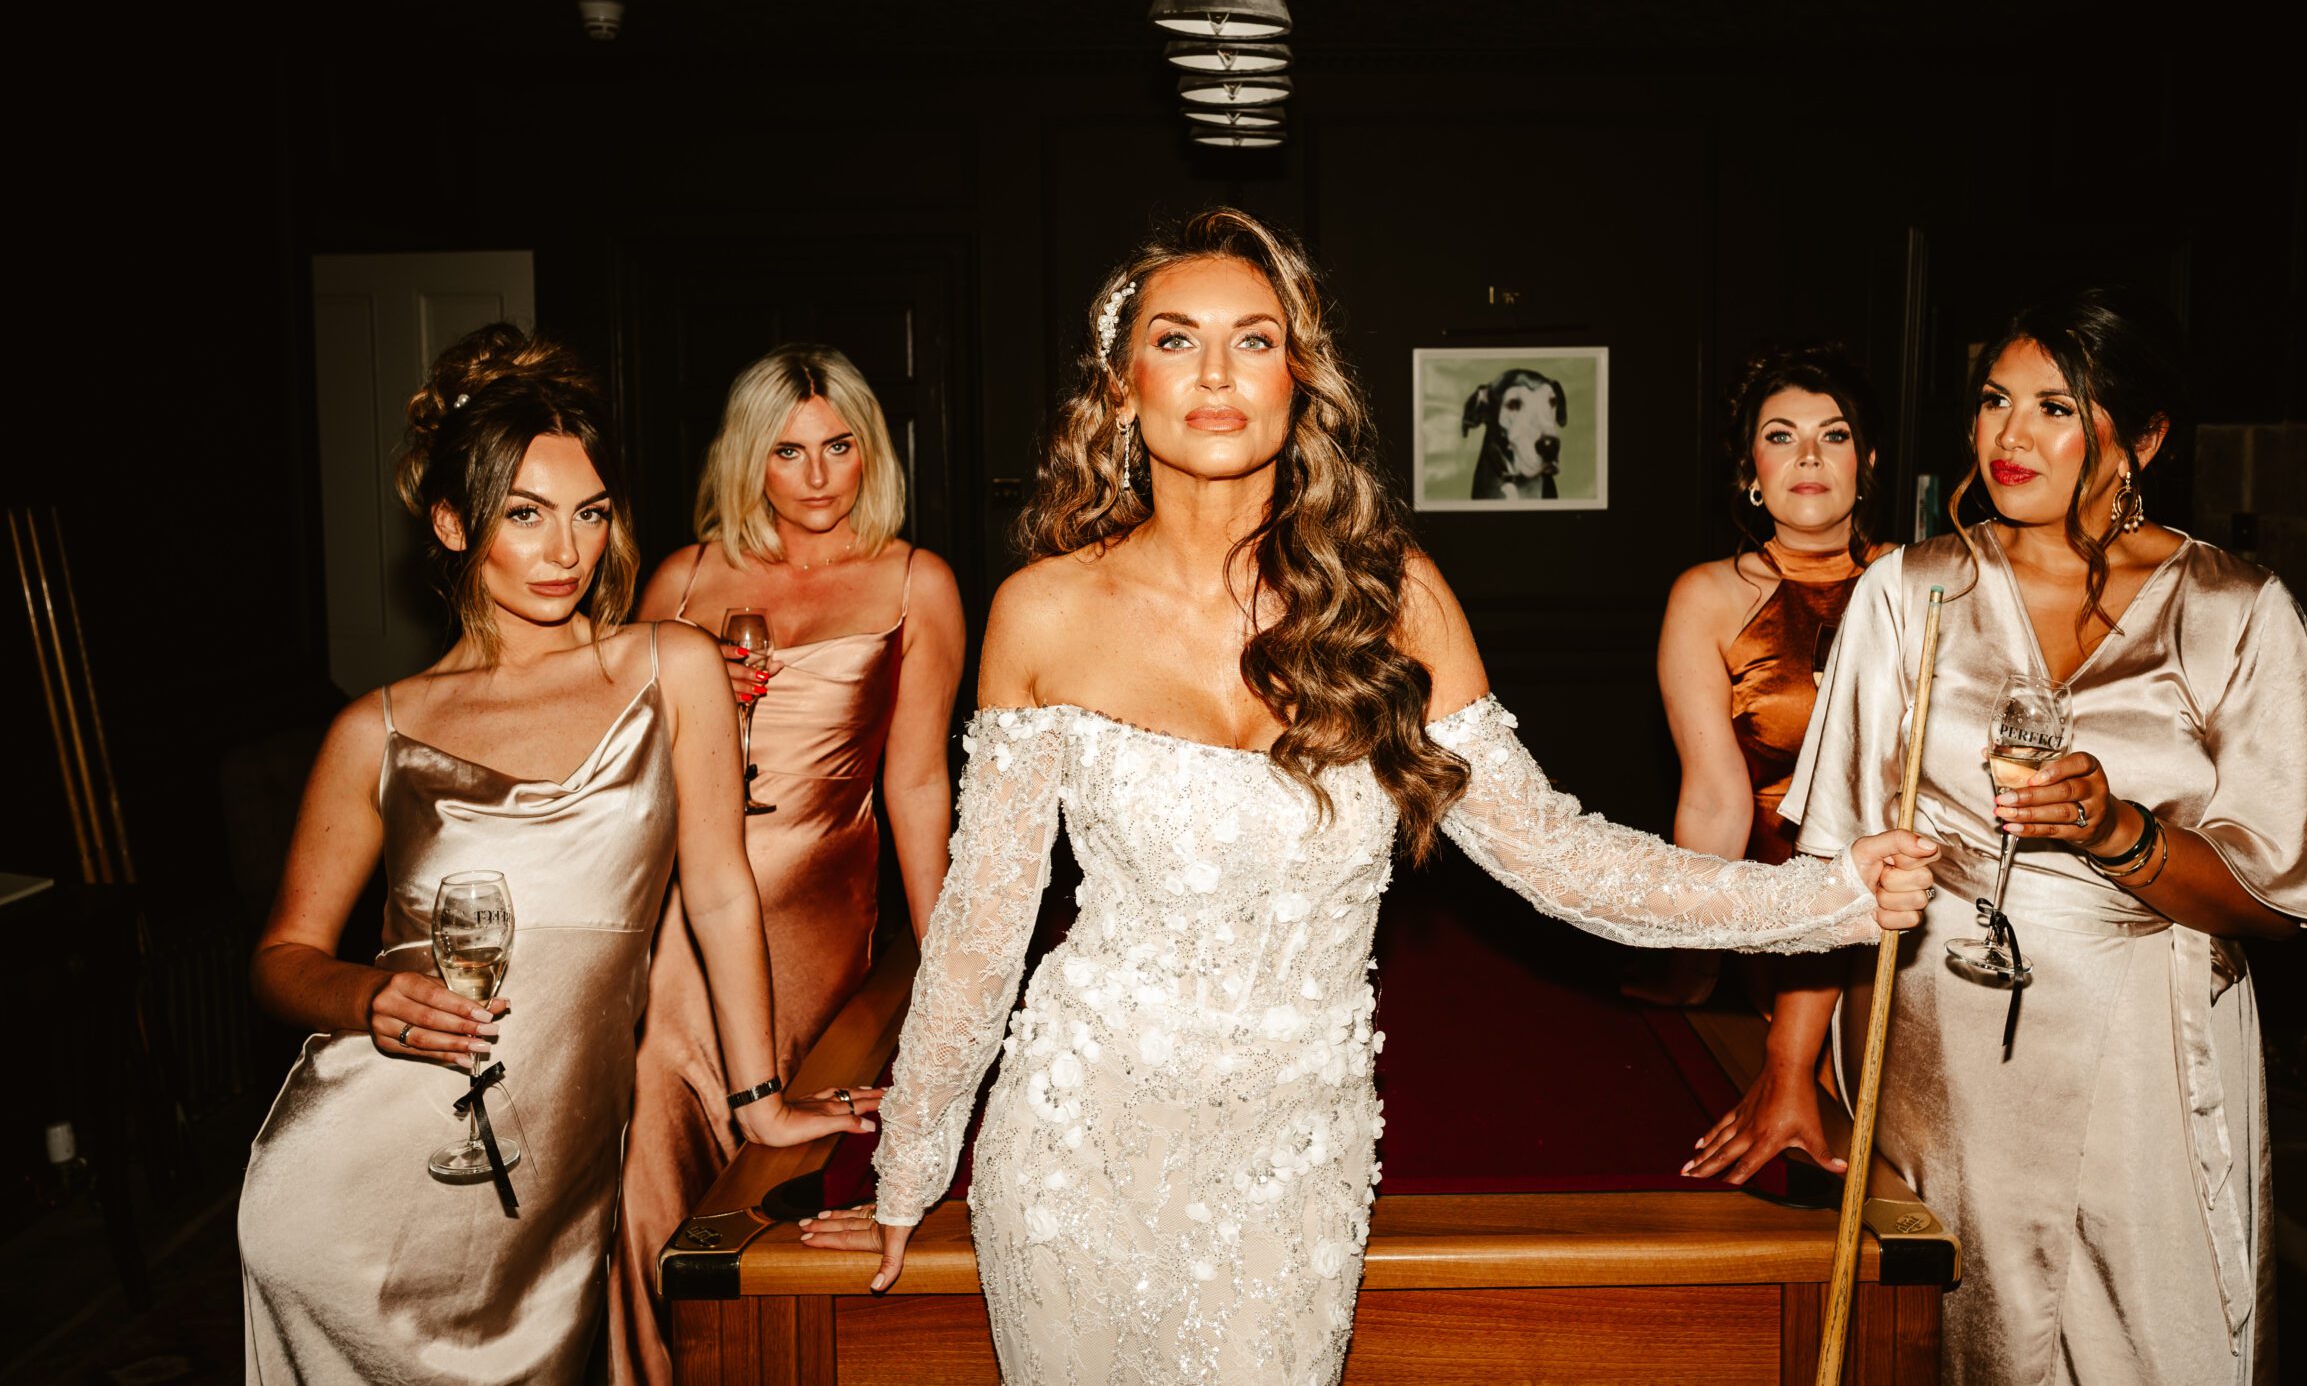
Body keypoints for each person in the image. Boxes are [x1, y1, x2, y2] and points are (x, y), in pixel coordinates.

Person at [794, 208, 1937, 1384]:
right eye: (1176, 340)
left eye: (1254, 340)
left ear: (1298, 379)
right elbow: (983, 926)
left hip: (1292, 1152)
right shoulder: (1040, 610)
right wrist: (912, 1164)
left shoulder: (1395, 599)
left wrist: (1825, 899)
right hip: (1073, 1137)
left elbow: (1559, 858)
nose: (1217, 375)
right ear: (1122, 387)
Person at [1691, 291, 2307, 1383]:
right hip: (1936, 1036)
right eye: (1992, 402)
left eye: (2056, 406)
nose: (2010, 437)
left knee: (2146, 1338)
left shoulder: (2236, 610)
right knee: (1949, 1330)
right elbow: (1843, 864)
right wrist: (1786, 1066)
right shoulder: (1907, 594)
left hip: (2145, 1038)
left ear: (2142, 437)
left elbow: (2278, 902)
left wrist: (2118, 832)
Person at [239, 324, 862, 1385]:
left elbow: (718, 890)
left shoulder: (671, 666)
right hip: (358, 1175)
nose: (564, 552)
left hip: (552, 1173)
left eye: (588, 515)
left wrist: (757, 1098)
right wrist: (365, 999)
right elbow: (281, 957)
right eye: (524, 517)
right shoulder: (376, 730)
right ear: (450, 523)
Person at [609, 344, 964, 1385]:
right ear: (747, 461)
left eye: (839, 447)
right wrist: (681, 687)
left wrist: (949, 962)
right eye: (787, 451)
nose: (816, 476)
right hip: (678, 916)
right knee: (647, 1171)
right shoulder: (682, 579)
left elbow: (914, 785)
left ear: (871, 453)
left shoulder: (915, 580)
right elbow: (612, 769)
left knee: (787, 1178)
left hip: (815, 918)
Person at [1630, 343, 1890, 1007]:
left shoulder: (1918, 582)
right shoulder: (1708, 596)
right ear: (1752, 469)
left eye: (1834, 435)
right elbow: (1717, 799)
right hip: (1772, 924)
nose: (1810, 455)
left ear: (1867, 462)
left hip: (1902, 910)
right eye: (1782, 436)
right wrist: (1695, 962)